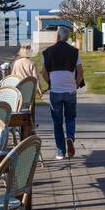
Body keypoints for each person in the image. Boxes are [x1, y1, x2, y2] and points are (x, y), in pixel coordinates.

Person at [41, 26, 83, 159]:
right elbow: (80, 71)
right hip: (70, 91)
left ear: (57, 36)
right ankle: (70, 137)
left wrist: (50, 83)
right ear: (67, 37)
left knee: (57, 122)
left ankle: (60, 152)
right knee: (70, 118)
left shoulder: (48, 52)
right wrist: (76, 83)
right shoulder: (74, 51)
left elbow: (43, 72)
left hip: (56, 92)